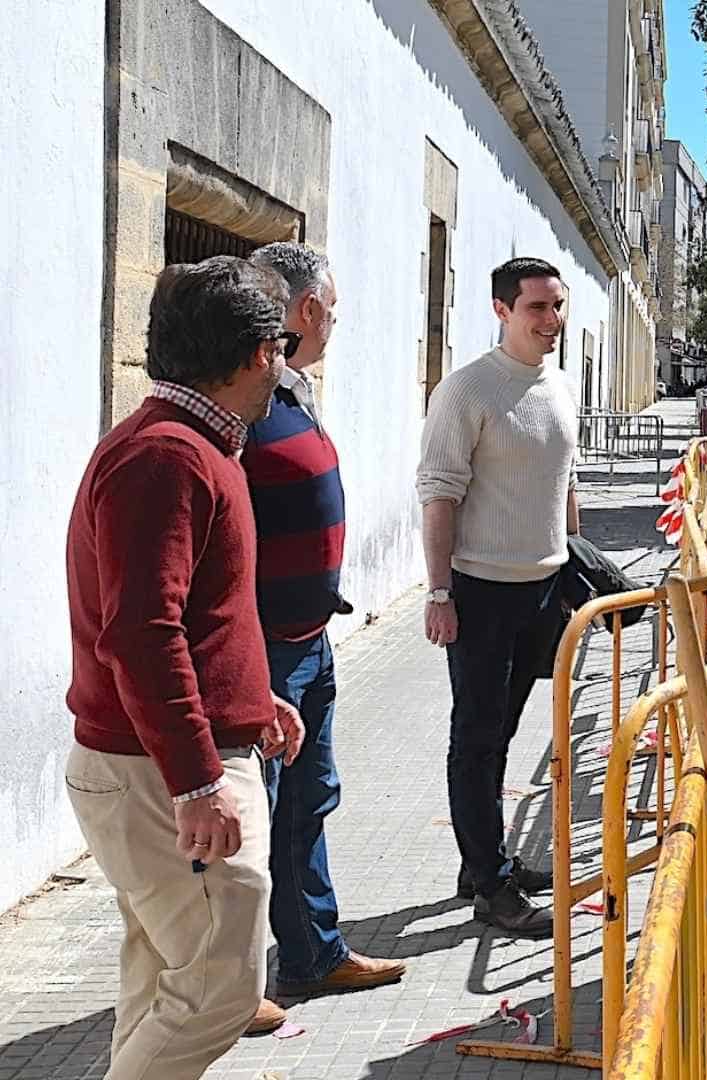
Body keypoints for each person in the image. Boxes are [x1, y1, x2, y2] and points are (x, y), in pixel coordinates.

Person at [64, 255, 306, 1077]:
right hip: (157, 773)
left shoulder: (191, 446)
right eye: (281, 343)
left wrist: (252, 697)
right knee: (220, 989)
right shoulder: (167, 457)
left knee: (166, 977)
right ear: (251, 356)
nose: (288, 359)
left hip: (162, 763)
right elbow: (140, 632)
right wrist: (198, 781)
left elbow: (192, 616)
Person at [242, 243, 406, 1015]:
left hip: (310, 642)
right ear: (307, 310)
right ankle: (231, 990)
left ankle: (313, 954)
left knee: (309, 801)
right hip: (264, 654)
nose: (335, 320)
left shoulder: (291, 391)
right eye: (330, 309)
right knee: (251, 820)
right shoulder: (241, 402)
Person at [416, 256, 579, 937]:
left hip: (543, 589)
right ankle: (489, 885)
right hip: (480, 593)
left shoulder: (561, 387)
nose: (552, 321)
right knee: (476, 739)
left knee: (505, 731)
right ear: (502, 311)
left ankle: (481, 857)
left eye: (558, 306)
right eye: (537, 308)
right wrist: (439, 591)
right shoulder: (468, 391)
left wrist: (575, 553)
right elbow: (438, 494)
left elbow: (566, 482)